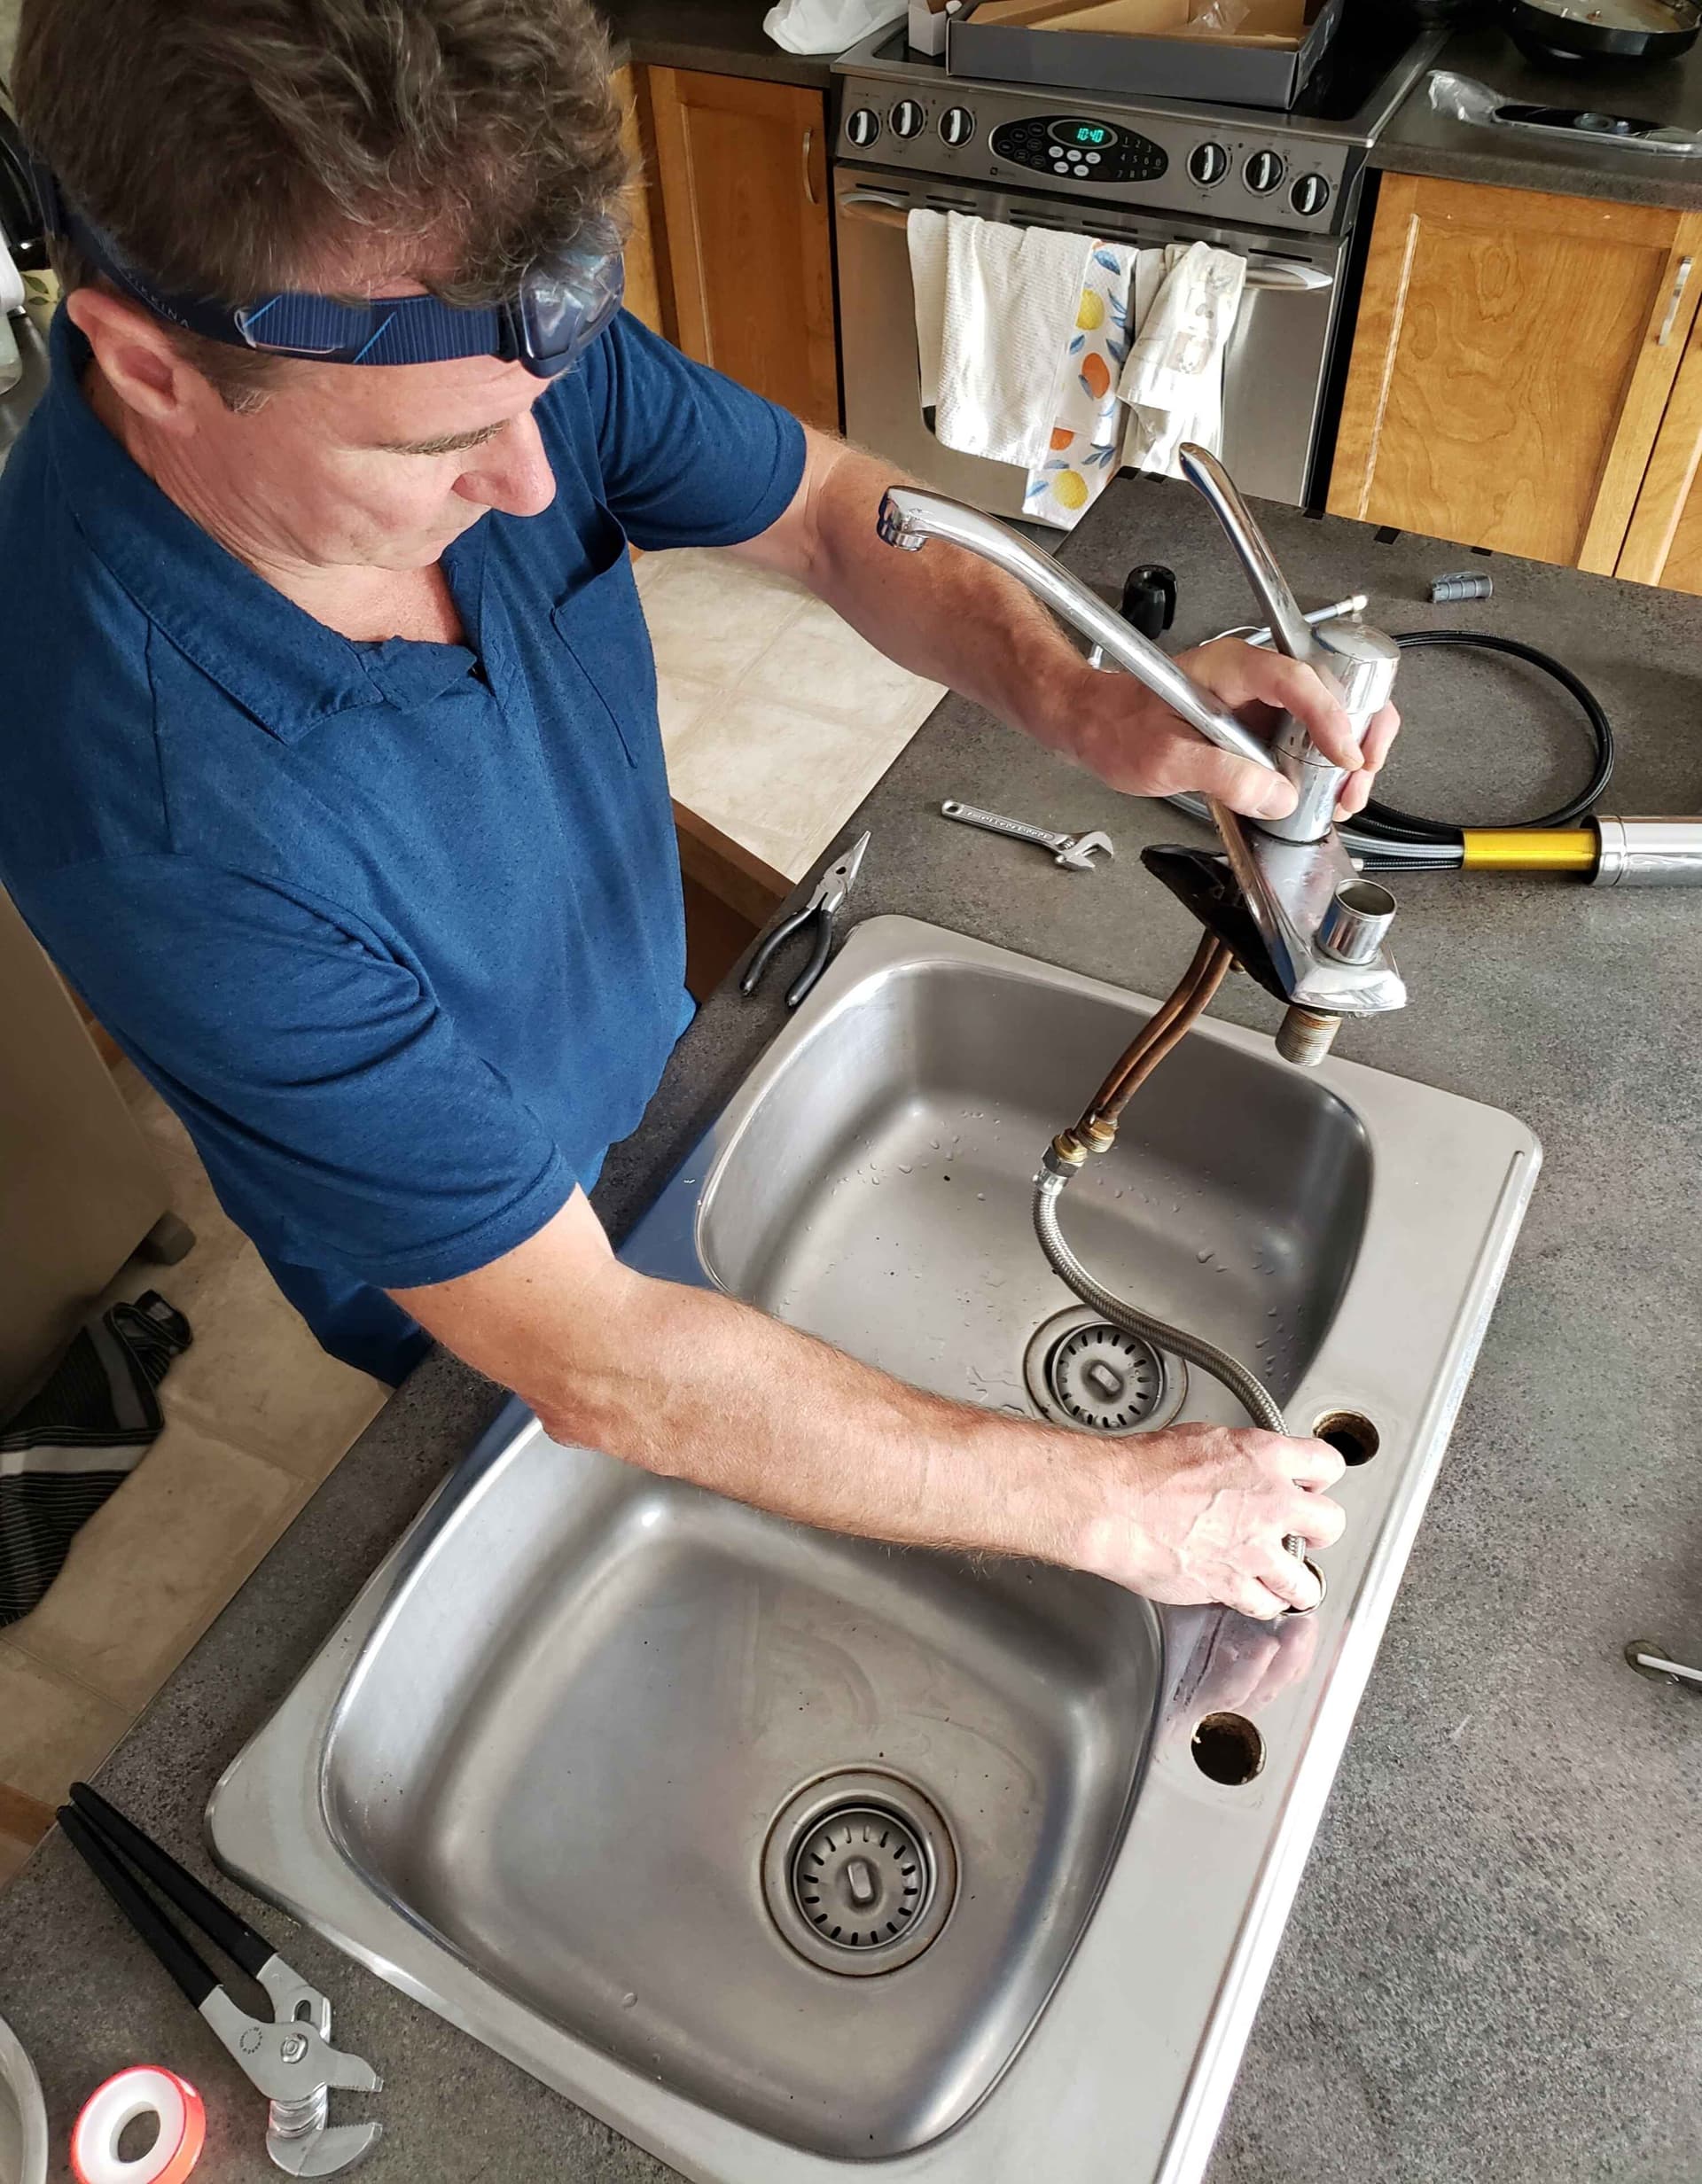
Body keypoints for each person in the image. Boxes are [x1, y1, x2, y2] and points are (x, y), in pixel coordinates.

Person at [0, 0, 1398, 1620]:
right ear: (152, 366)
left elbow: (820, 512)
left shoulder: (473, 333)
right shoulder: (141, 802)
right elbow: (595, 1358)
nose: (533, 479)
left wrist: (1082, 687)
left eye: (548, 392)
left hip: (658, 1066)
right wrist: (1114, 1504)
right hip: (492, 1298)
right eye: (445, 448)